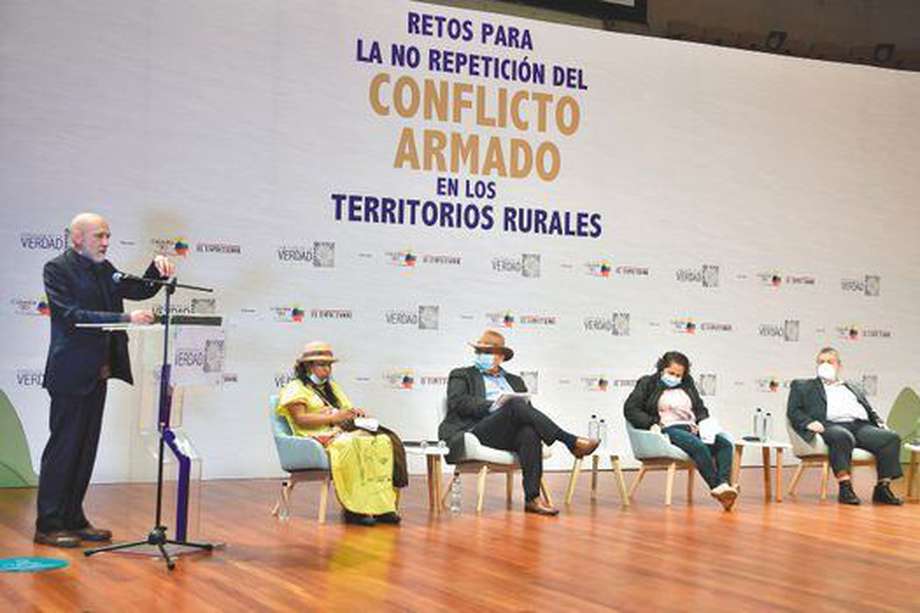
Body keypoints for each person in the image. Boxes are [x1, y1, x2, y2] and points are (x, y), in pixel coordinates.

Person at [36, 213, 175, 547]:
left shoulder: (105, 267)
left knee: (85, 449)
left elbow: (137, 290)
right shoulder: (57, 269)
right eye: (99, 236)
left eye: (108, 235)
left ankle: (73, 517)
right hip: (70, 373)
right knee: (64, 448)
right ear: (77, 238)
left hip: (99, 371)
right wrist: (125, 318)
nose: (105, 242)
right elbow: (71, 317)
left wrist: (156, 271)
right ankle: (48, 523)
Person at [438, 329, 599, 516]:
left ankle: (532, 498)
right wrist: (495, 406)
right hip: (475, 431)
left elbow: (527, 411)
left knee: (529, 431)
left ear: (500, 357)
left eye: (486, 352)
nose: (480, 355)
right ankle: (570, 441)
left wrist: (508, 407)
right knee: (513, 403)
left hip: (504, 434)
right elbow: (458, 403)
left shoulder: (515, 381)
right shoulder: (461, 375)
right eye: (478, 352)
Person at [277, 342, 407, 526]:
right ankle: (354, 509)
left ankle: (383, 508)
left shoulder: (332, 388)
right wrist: (334, 417)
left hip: (340, 432)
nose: (327, 369)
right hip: (315, 438)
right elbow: (301, 420)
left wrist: (354, 414)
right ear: (308, 366)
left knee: (382, 441)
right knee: (350, 445)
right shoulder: (295, 388)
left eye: (329, 365)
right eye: (322, 365)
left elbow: (344, 411)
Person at [787, 347, 903, 505]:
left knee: (890, 438)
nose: (825, 365)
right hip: (831, 425)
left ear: (839, 366)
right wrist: (808, 423)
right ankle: (845, 487)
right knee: (842, 436)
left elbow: (868, 409)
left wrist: (880, 423)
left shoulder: (852, 387)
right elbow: (793, 411)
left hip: (861, 426)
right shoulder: (803, 386)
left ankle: (883, 488)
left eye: (830, 361)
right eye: (821, 362)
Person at [623, 351, 738, 511]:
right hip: (669, 428)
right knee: (698, 446)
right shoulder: (647, 383)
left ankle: (724, 485)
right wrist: (652, 423)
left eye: (678, 375)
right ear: (661, 368)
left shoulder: (687, 384)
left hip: (692, 428)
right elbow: (631, 409)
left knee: (724, 444)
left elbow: (699, 408)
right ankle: (717, 486)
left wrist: (704, 421)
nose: (675, 377)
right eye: (671, 373)